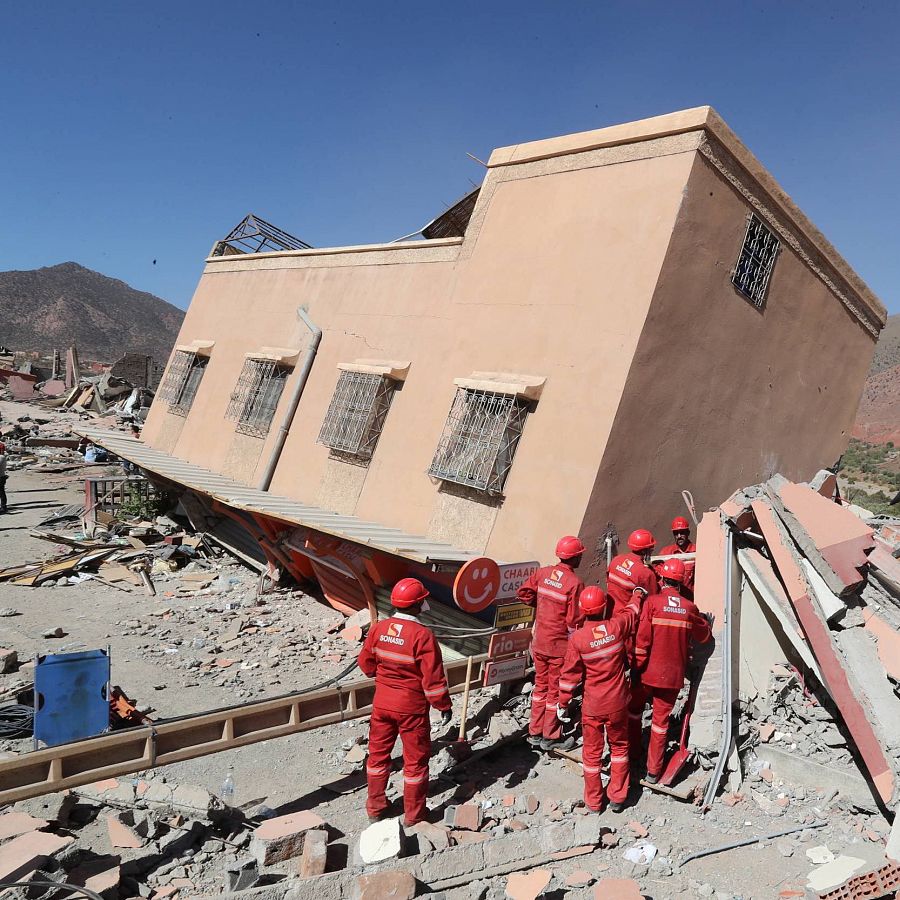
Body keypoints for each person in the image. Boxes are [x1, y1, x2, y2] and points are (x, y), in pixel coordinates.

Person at [357, 577, 452, 826]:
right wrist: (443, 706)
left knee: (377, 757)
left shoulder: (379, 628)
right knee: (416, 763)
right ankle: (414, 815)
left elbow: (366, 665)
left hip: (382, 705)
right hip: (411, 708)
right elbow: (434, 679)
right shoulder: (423, 636)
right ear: (418, 604)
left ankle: (375, 808)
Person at [556, 585, 640, 813]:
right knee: (620, 749)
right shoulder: (615, 627)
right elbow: (631, 613)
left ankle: (594, 802)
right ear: (604, 608)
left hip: (593, 705)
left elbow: (569, 676)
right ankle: (617, 797)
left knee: (592, 755)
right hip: (618, 703)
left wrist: (563, 702)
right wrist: (637, 595)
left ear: (582, 610)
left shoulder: (579, 639)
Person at [633, 558, 711, 782]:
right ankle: (653, 771)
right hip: (673, 677)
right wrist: (706, 622)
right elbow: (703, 636)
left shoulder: (652, 603)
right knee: (660, 724)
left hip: (648, 672)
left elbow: (642, 641)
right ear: (680, 583)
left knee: (633, 712)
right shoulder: (688, 608)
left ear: (662, 579)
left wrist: (637, 668)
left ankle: (632, 753)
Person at [517, 535, 586, 751]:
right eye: (580, 555)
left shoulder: (543, 573)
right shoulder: (574, 584)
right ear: (574, 558)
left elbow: (524, 593)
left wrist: (541, 605)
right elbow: (575, 620)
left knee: (540, 688)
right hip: (558, 647)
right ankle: (550, 736)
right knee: (554, 692)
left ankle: (534, 732)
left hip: (539, 643)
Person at [606, 529, 658, 617]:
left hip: (610, 615)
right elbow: (653, 601)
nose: (652, 551)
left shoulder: (615, 560)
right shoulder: (646, 574)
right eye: (651, 548)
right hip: (627, 621)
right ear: (644, 551)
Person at [655, 517, 697, 595]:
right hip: (669, 598)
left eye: (682, 532)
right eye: (676, 533)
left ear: (688, 533)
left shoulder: (697, 552)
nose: (679, 536)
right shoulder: (666, 553)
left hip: (689, 598)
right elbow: (658, 575)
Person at [0, 442, 7, 514]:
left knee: (1, 492)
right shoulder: (3, 457)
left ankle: (3, 507)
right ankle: (3, 506)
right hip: (2, 476)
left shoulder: (1, 457)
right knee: (2, 492)